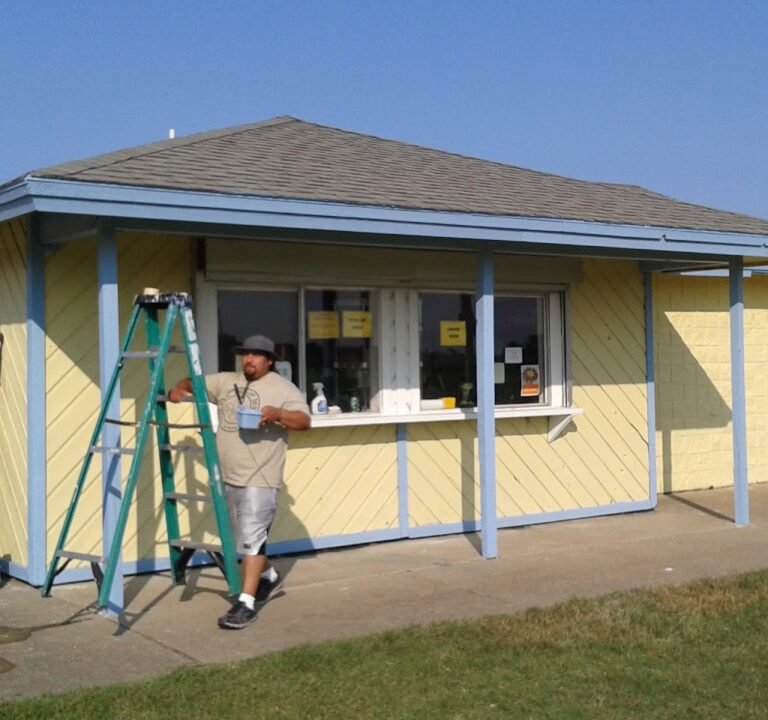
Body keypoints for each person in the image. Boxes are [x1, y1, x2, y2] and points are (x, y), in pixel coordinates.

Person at [168, 334, 310, 629]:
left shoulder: (282, 388)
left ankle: (246, 603)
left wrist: (278, 414)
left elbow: (304, 422)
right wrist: (179, 390)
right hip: (227, 476)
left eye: (256, 355)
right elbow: (192, 382)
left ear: (269, 360)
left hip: (261, 477)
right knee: (242, 542)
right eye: (245, 354)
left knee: (253, 538)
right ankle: (269, 577)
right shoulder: (225, 382)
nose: (249, 359)